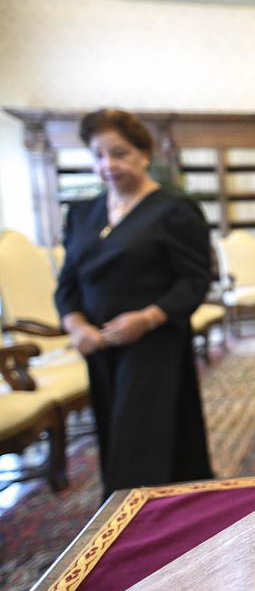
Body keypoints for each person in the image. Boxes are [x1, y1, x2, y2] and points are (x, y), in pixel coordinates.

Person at [55, 108, 213, 498]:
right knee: (118, 433)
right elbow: (67, 284)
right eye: (98, 155)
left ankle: (134, 528)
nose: (108, 164)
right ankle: (165, 505)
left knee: (138, 440)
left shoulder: (175, 211)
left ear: (145, 154)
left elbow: (195, 279)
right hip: (99, 346)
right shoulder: (80, 213)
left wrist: (147, 317)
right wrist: (77, 327)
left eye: (119, 153)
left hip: (154, 342)